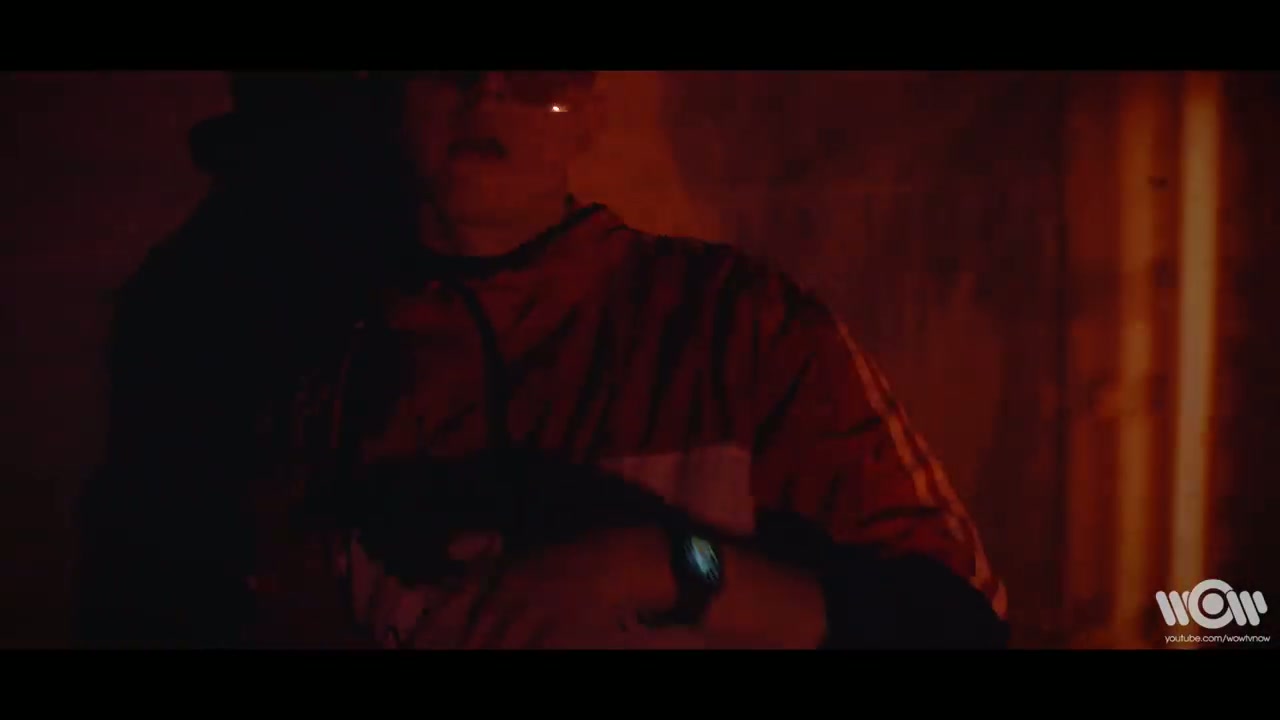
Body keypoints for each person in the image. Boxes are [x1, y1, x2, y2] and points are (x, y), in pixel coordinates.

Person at [78, 71, 1008, 649]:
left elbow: (956, 624)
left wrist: (668, 568)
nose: (488, 92)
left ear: (588, 115)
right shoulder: (284, 361)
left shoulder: (745, 329)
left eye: (539, 74)